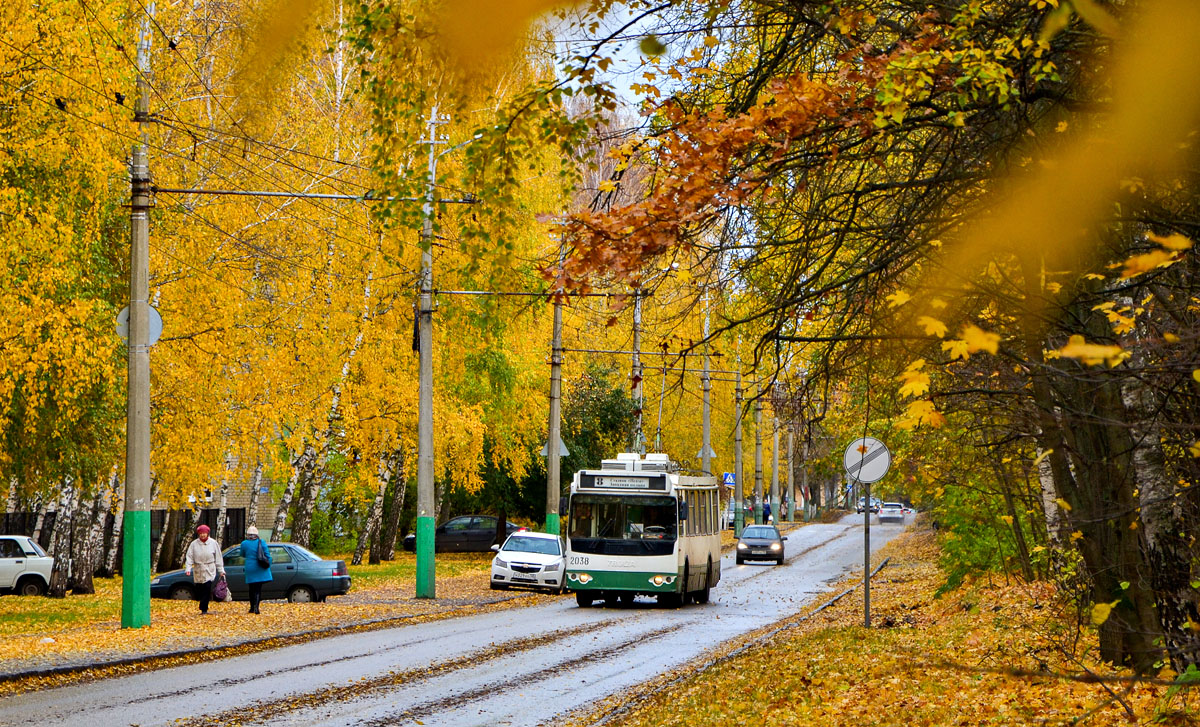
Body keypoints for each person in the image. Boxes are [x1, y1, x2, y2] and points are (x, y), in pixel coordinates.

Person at [184, 524, 225, 615]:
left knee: (207, 587)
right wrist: (188, 568)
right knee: (200, 589)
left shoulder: (213, 543)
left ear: (207, 533)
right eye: (201, 533)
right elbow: (189, 556)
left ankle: (204, 608)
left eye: (204, 533)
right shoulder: (194, 544)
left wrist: (221, 570)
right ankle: (202, 604)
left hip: (209, 569)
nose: (203, 535)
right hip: (198, 569)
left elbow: (218, 557)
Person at [240, 525, 272, 614]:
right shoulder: (262, 542)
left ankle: (251, 607)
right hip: (260, 567)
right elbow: (268, 556)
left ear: (247, 534)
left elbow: (242, 554)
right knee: (258, 589)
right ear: (257, 534)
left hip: (250, 567)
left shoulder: (244, 543)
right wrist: (268, 565)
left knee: (251, 588)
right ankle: (256, 608)